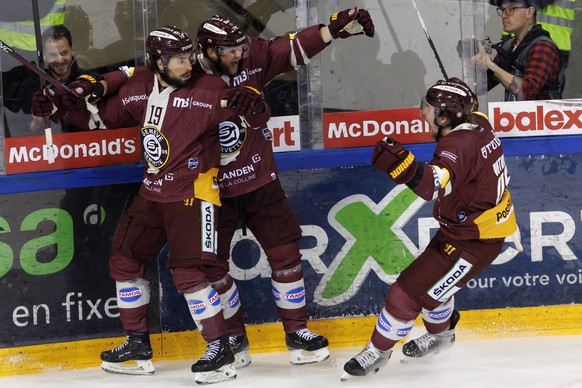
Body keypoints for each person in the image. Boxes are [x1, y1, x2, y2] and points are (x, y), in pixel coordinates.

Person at [37, 26, 270, 384]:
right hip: (153, 193)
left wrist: (255, 106)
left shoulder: (210, 90)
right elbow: (100, 117)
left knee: (189, 273)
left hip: (194, 194)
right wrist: (59, 107)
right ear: (158, 62)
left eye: (189, 56)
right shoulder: (141, 88)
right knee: (124, 260)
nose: (187, 64)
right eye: (178, 59)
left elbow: (248, 115)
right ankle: (136, 343)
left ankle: (220, 346)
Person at [193, 9, 375, 367]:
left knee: (286, 256)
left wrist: (332, 30)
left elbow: (291, 48)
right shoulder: (187, 76)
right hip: (212, 192)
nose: (238, 55)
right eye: (229, 51)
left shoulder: (252, 56)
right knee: (212, 269)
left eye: (239, 48)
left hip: (260, 180)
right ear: (210, 51)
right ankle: (233, 338)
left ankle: (296, 333)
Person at [341, 78, 521, 379]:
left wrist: (406, 170)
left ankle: (378, 351)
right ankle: (442, 337)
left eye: (429, 108)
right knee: (434, 291)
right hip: (468, 231)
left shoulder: (457, 146)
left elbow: (431, 184)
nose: (422, 112)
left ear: (445, 118)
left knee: (405, 294)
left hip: (474, 242)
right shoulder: (480, 123)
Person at [15, 24, 98, 135]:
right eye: (53, 55)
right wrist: (36, 121)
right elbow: (16, 135)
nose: (60, 60)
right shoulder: (30, 87)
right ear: (44, 55)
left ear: (72, 50)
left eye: (64, 53)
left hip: (90, 147)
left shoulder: (92, 81)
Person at [472, 0, 561, 101]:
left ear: (529, 12)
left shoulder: (543, 47)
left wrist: (490, 65)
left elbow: (527, 91)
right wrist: (477, 62)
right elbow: (480, 87)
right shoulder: (510, 46)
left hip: (540, 115)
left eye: (510, 9)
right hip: (514, 115)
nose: (503, 15)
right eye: (502, 10)